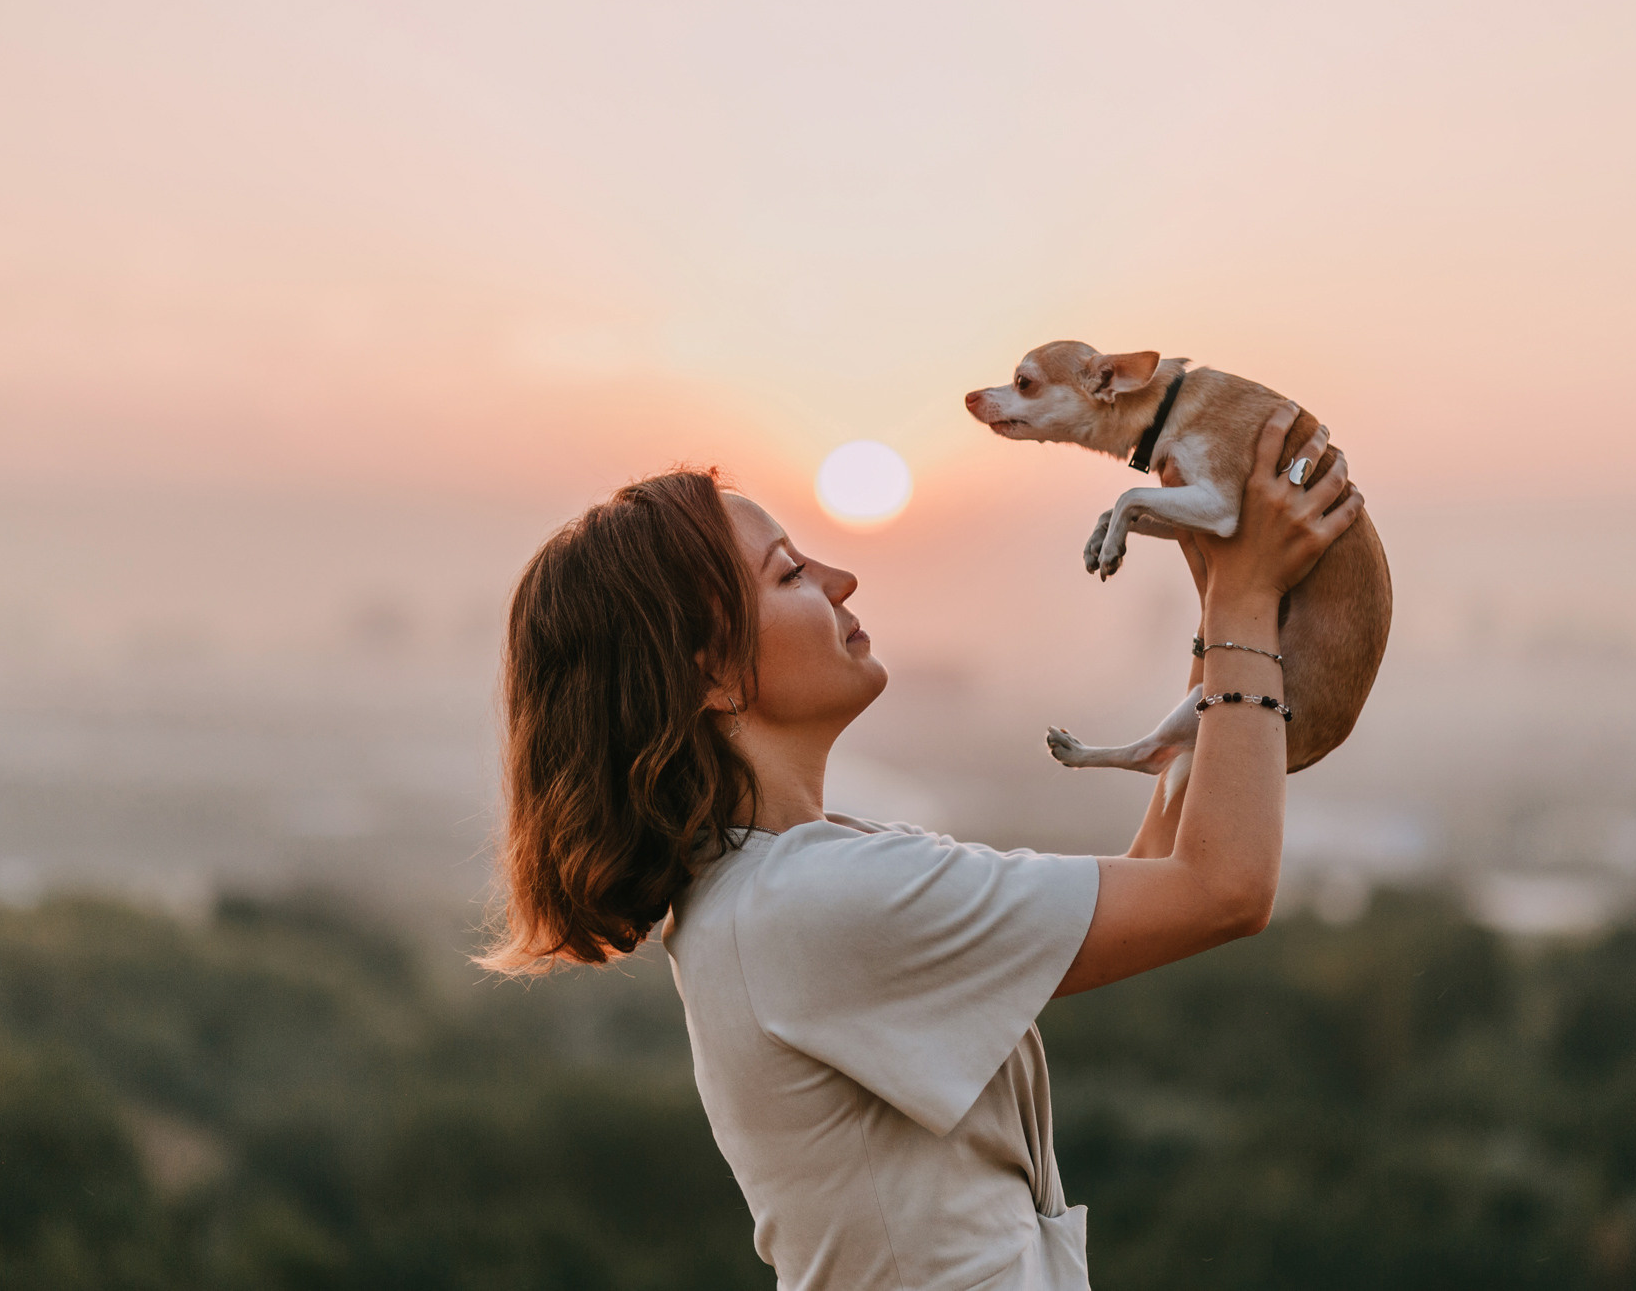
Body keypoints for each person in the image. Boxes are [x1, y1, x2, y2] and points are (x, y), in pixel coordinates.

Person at [479, 407, 1362, 1289]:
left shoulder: (786, 886)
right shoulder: (810, 903)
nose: (843, 576)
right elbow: (1224, 887)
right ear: (710, 673)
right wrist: (1245, 606)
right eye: (790, 574)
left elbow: (1154, 882)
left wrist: (1225, 625)